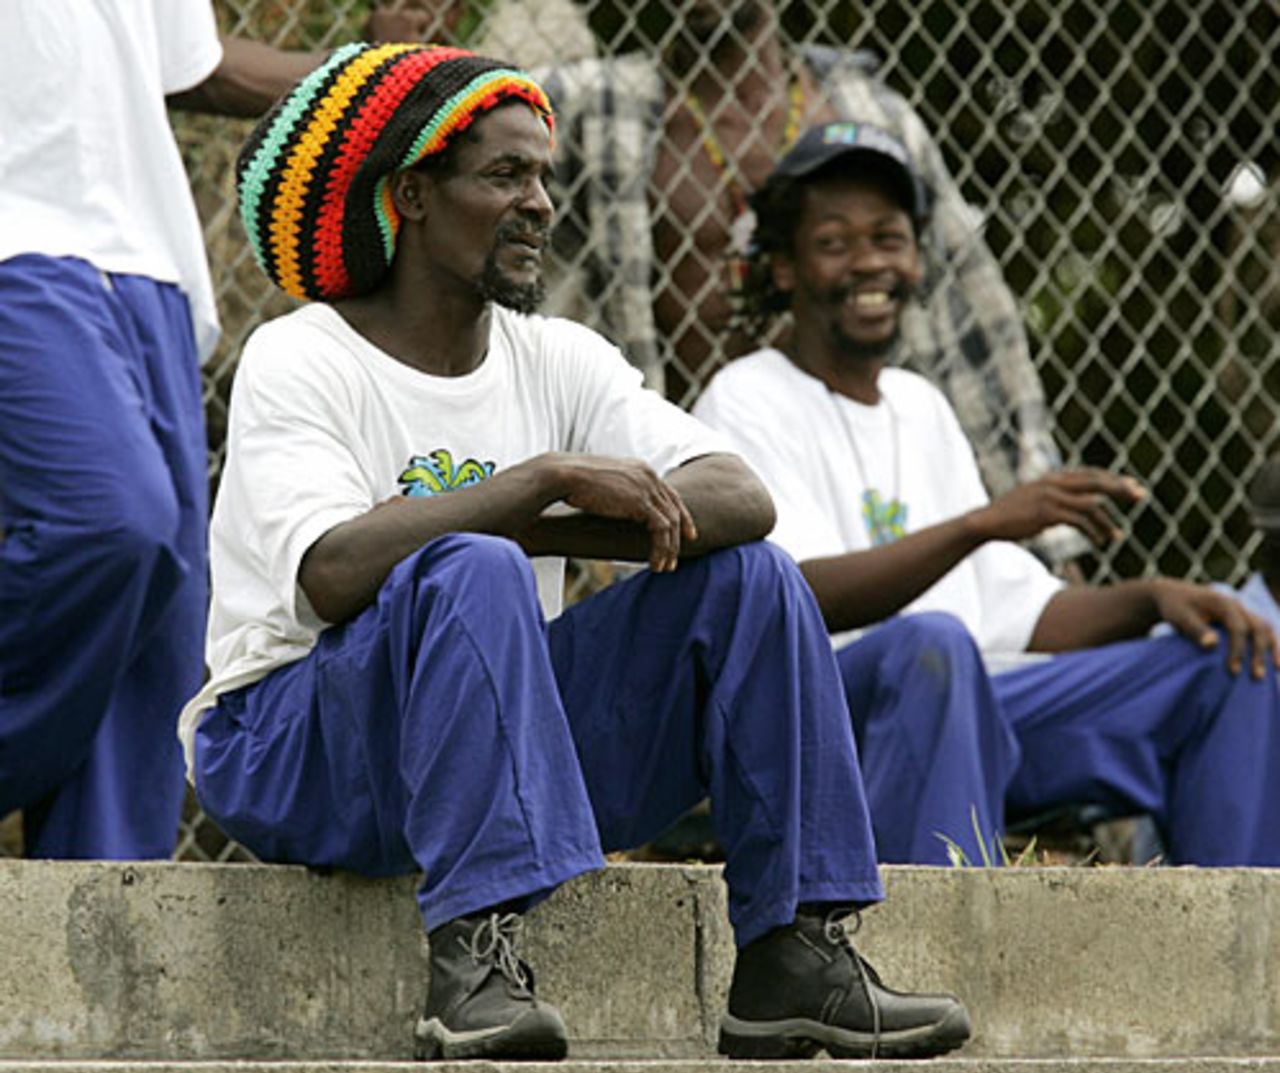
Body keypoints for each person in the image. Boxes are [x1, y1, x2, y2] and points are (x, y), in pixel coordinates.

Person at [179, 45, 970, 1062]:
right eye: (505, 174)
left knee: (749, 581)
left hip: (491, 740)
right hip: (295, 746)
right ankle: (472, 957)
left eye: (545, 176)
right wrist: (537, 482)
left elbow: (739, 497)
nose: (540, 202)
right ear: (412, 193)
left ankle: (791, 951)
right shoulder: (304, 355)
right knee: (472, 568)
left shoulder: (557, 355)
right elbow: (330, 572)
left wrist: (540, 516)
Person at [694, 120, 1280, 867]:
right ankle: (936, 949)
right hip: (829, 716)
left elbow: (1014, 613)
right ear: (782, 267)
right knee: (933, 648)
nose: (869, 263)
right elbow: (793, 600)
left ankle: (1245, 958)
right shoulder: (745, 399)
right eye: (835, 242)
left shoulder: (921, 405)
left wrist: (1155, 596)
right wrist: (980, 523)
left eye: (889, 238)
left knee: (1234, 655)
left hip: (975, 702)